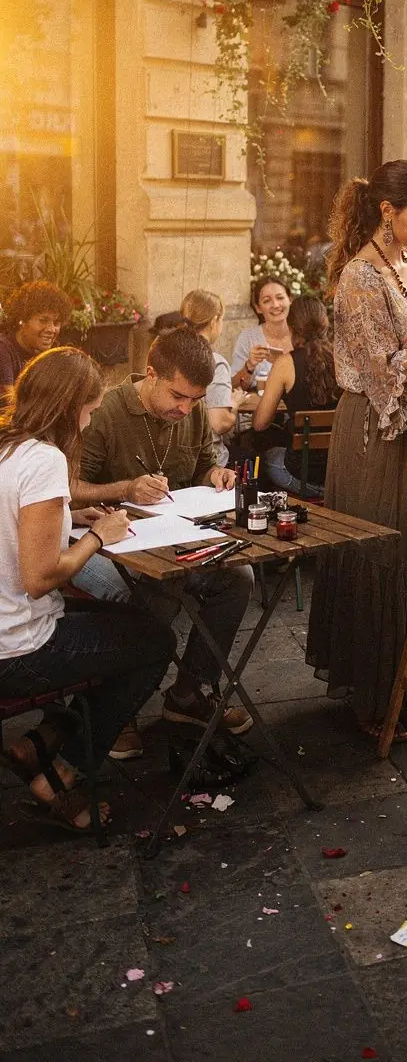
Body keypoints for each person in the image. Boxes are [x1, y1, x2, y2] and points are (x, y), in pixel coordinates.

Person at [306, 161, 407, 740]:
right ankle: (372, 696)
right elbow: (386, 372)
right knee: (380, 549)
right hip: (377, 430)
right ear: (387, 211)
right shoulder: (359, 278)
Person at [0, 348, 175, 832]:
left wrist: (68, 516)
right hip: (18, 649)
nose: (91, 419)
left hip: (8, 637)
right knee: (156, 643)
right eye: (90, 410)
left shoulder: (7, 446)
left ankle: (44, 739)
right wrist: (101, 536)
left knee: (133, 626)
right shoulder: (45, 460)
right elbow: (39, 578)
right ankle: (59, 775)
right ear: (69, 406)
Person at [73, 325, 252, 760]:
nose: (186, 407)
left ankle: (189, 692)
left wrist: (217, 477)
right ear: (150, 374)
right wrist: (125, 489)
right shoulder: (106, 412)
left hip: (169, 531)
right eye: (178, 396)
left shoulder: (189, 408)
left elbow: (204, 465)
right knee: (149, 588)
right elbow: (70, 488)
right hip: (99, 534)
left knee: (238, 577)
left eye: (194, 399)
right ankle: (118, 708)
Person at [249, 295, 339, 495]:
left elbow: (259, 424)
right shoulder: (342, 359)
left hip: (302, 476)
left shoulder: (285, 364)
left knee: (261, 455)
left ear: (292, 328)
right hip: (340, 474)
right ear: (325, 323)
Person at [180, 289, 245, 467]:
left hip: (175, 455)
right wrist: (235, 403)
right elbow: (220, 423)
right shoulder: (214, 362)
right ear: (215, 320)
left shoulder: (171, 353)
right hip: (209, 461)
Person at [0, 280, 73, 392]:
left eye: (56, 323)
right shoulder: (4, 350)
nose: (52, 329)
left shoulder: (52, 354)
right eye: (43, 320)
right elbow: (9, 403)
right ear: (22, 320)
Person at [231, 278, 293, 394]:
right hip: (258, 408)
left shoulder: (302, 335)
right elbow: (233, 387)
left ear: (290, 299)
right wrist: (249, 366)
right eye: (267, 300)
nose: (275, 305)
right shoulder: (248, 338)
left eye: (280, 298)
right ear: (258, 308)